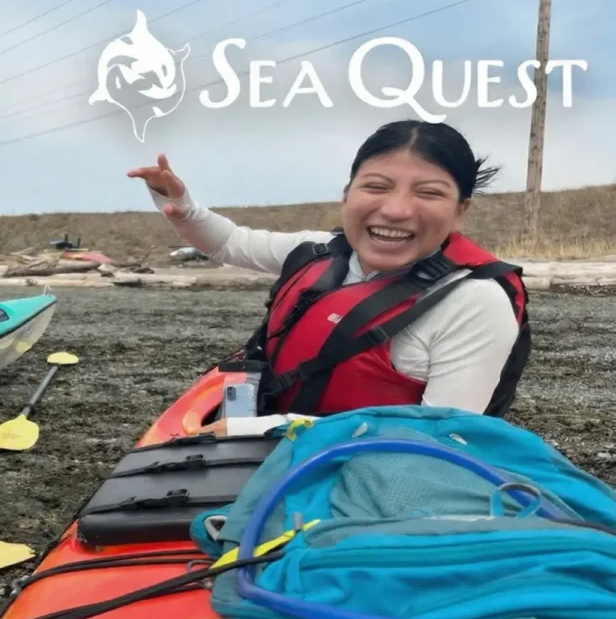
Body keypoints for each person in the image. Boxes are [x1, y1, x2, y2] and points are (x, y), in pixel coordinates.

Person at [129, 119, 530, 418]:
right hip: (269, 447)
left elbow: (438, 449)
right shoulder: (318, 252)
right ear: (346, 195)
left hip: (370, 481)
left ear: (461, 211)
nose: (396, 209)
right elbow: (229, 242)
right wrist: (182, 206)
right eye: (376, 186)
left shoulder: (475, 303)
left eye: (429, 193)